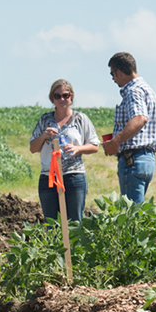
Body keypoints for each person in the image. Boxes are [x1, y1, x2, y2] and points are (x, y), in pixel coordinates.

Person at [28, 79, 101, 223]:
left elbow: (94, 145)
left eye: (65, 95)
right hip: (49, 177)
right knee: (51, 224)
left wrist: (77, 148)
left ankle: (73, 247)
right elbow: (33, 148)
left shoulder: (80, 119)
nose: (62, 99)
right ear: (52, 99)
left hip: (73, 176)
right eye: (57, 96)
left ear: (71, 97)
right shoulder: (45, 120)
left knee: (74, 223)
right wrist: (44, 136)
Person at [101, 52, 156, 203]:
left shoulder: (133, 91)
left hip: (132, 160)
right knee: (138, 211)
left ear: (119, 72)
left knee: (131, 216)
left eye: (112, 75)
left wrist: (115, 142)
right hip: (147, 159)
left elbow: (140, 118)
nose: (113, 79)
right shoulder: (150, 92)